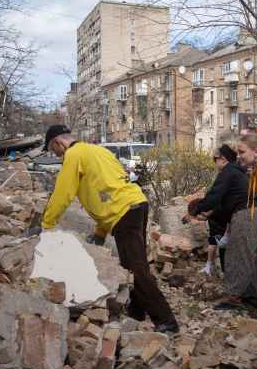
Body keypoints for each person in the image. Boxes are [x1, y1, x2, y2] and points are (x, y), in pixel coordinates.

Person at [37, 125, 178, 333]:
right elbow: (107, 189)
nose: (54, 154)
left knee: (136, 269)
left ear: (58, 142)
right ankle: (136, 314)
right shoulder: (96, 150)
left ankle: (166, 321)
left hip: (123, 213)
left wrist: (47, 225)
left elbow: (63, 193)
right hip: (137, 203)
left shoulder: (73, 155)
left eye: (52, 149)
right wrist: (101, 232)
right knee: (134, 263)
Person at [184, 144, 247, 276]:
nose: (214, 162)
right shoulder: (237, 172)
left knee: (230, 252)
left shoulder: (228, 172)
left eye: (215, 159)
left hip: (239, 217)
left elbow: (214, 196)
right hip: (241, 217)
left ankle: (233, 284)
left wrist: (194, 211)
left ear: (223, 159)